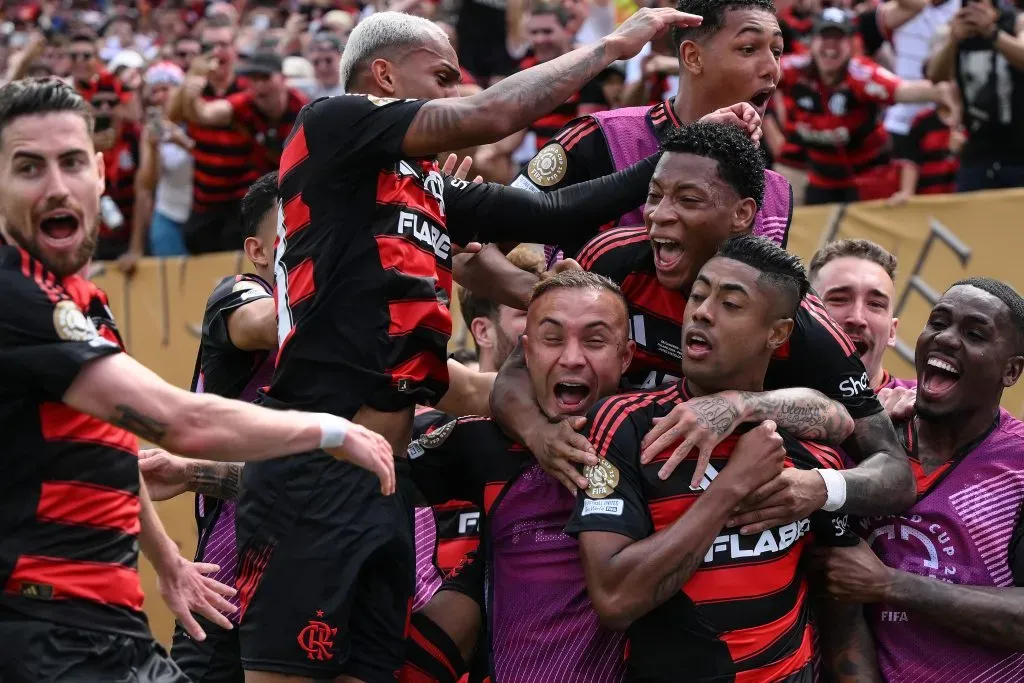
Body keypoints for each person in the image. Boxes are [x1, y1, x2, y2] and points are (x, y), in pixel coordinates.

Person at [240, 8, 706, 681]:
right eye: (442, 78)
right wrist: (610, 47)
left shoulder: (425, 183)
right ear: (383, 75)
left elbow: (556, 212)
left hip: (385, 482)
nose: (457, 93)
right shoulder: (331, 121)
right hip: (314, 467)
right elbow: (489, 116)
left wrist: (688, 149)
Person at [0, 77, 393, 683]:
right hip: (44, 630)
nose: (57, 185)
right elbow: (180, 421)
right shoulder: (14, 296)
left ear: (101, 175)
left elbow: (115, 458)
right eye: (28, 168)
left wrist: (169, 562)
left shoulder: (82, 298)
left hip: (110, 623)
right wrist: (329, 431)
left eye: (72, 162)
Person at [405, 268, 851, 683]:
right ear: (526, 353)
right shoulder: (483, 446)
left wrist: (745, 409)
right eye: (551, 339)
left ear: (627, 357)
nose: (572, 359)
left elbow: (838, 417)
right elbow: (372, 474)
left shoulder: (669, 434)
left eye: (595, 341)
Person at [490, 121, 914, 531]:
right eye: (654, 195)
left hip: (735, 520)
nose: (658, 215)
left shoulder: (801, 323)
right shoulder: (612, 260)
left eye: (687, 200)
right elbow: (514, 375)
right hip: (609, 500)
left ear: (742, 213)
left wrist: (817, 483)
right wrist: (539, 434)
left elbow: (894, 471)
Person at [568, 235, 859, 682]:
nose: (701, 311)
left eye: (731, 304)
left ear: (777, 333)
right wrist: (730, 488)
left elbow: (839, 597)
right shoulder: (625, 423)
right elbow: (615, 599)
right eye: (699, 295)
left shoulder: (806, 439)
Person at [818, 277, 1024, 682]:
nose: (946, 339)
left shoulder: (1018, 466)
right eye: (938, 323)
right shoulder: (871, 432)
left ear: (1011, 370)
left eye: (974, 333)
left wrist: (888, 585)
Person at [512, 0, 793, 260]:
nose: (772, 68)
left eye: (777, 52)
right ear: (693, 57)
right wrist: (548, 297)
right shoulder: (600, 138)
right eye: (748, 49)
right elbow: (482, 241)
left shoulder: (777, 193)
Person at [139, 171, 278, 683]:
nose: (315, 238)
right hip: (227, 585)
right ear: (258, 251)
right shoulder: (239, 295)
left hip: (320, 576)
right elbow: (267, 323)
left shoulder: (362, 343)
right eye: (298, 228)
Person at [778, 8, 949, 205]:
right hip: (821, 179)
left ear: (850, 44)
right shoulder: (794, 70)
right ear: (812, 43)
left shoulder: (861, 74)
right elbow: (757, 73)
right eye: (824, 37)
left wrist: (943, 91)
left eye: (838, 39)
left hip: (869, 176)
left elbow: (904, 90)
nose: (830, 46)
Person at [180, 50, 308, 253]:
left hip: (298, 192)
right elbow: (203, 114)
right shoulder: (245, 104)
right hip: (261, 191)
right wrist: (190, 95)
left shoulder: (303, 109)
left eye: (265, 78)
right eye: (253, 79)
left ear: (283, 79)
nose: (258, 86)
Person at [168, 14, 253, 255]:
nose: (216, 52)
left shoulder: (248, 84)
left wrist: (191, 99)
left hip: (243, 195)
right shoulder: (192, 85)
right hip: (205, 198)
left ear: (234, 49)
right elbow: (170, 119)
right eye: (208, 47)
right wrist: (187, 86)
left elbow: (206, 115)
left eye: (223, 45)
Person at [927, 0, 1024, 192]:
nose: (975, 9)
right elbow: (935, 75)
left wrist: (993, 34)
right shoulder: (954, 30)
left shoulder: (1016, 22)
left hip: (1019, 151)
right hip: (978, 152)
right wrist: (953, 41)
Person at [809, 239, 913, 392]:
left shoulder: (925, 406)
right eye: (838, 299)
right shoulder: (766, 393)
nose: (857, 318)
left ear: (892, 331)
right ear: (802, 316)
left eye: (875, 304)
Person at [119, 60, 194, 272]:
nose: (161, 96)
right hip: (168, 214)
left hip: (202, 214)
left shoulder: (198, 117)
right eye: (155, 91)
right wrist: (136, 249)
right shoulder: (150, 131)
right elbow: (146, 186)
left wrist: (184, 142)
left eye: (166, 89)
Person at [307, 32, 346, 98]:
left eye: (328, 61)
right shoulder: (305, 92)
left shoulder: (353, 91)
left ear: (341, 59)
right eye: (316, 62)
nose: (322, 67)